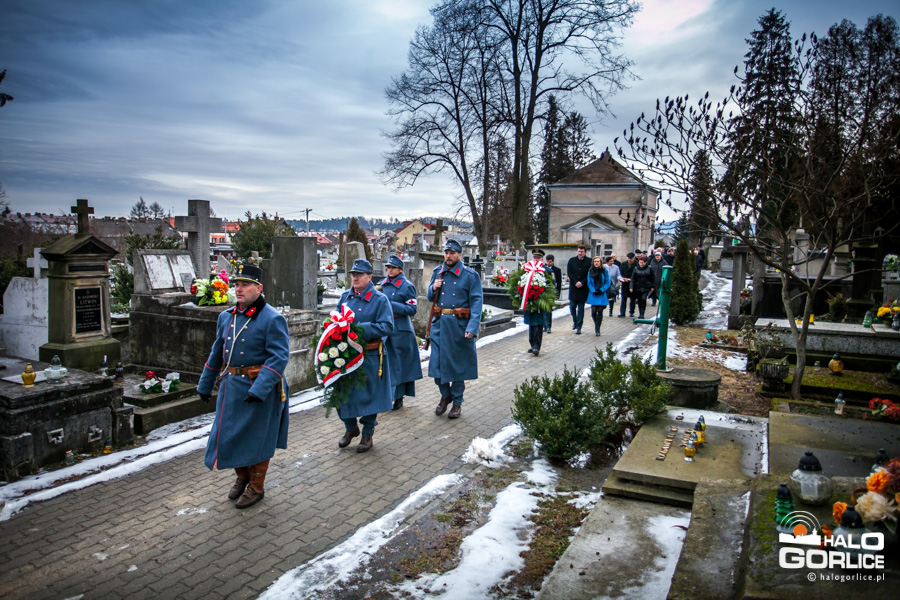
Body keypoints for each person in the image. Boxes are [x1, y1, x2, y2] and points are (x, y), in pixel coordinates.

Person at [197, 264, 290, 509]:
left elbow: (279, 357)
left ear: (259, 288)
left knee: (258, 439)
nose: (239, 289)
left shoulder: (272, 318)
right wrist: (205, 383)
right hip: (231, 386)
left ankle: (256, 486)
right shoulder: (226, 317)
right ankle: (243, 476)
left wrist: (259, 389)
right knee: (229, 436)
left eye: (245, 285)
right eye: (236, 285)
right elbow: (217, 351)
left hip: (261, 387)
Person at [335, 258, 395, 453]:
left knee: (370, 396)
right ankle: (351, 428)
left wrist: (359, 329)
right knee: (341, 394)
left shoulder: (380, 299)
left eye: (359, 275)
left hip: (370, 354)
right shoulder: (345, 297)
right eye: (353, 274)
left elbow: (388, 327)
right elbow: (335, 318)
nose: (355, 278)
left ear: (369, 277)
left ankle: (367, 435)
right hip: (346, 354)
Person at [427, 238, 483, 419]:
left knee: (458, 367)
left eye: (452, 253)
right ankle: (446, 395)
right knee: (436, 366)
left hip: (459, 326)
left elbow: (476, 302)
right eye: (446, 253)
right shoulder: (438, 272)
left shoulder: (470, 275)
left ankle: (457, 401)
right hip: (440, 325)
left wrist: (473, 327)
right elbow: (430, 297)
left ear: (459, 254)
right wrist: (432, 288)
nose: (448, 256)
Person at [378, 254, 422, 411]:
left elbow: (412, 309)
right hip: (384, 328)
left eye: (393, 268)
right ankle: (386, 396)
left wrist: (391, 305)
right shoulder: (381, 285)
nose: (390, 270)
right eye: (388, 267)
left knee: (399, 365)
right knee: (385, 363)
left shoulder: (407, 286)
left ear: (400, 269)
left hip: (401, 329)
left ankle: (398, 396)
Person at [523, 249, 553, 356]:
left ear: (542, 259)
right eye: (535, 257)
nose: (536, 259)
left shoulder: (546, 271)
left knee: (538, 324)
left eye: (538, 258)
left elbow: (551, 285)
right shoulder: (526, 269)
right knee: (531, 323)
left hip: (540, 301)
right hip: (530, 301)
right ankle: (532, 344)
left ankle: (537, 346)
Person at [566, 245, 591, 334]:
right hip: (574, 287)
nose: (580, 253)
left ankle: (579, 327)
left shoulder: (589, 261)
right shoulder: (572, 260)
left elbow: (589, 274)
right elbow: (569, 272)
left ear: (585, 252)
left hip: (583, 288)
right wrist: (575, 281)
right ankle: (575, 321)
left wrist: (582, 282)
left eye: (582, 252)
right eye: (579, 251)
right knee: (572, 307)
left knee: (581, 309)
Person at [586, 255, 611, 336]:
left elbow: (608, 282)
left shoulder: (604, 271)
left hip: (601, 293)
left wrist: (602, 289)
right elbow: (589, 283)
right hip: (593, 293)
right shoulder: (590, 271)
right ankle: (596, 324)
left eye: (598, 261)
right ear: (593, 262)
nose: (596, 263)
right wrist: (593, 290)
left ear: (601, 262)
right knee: (593, 312)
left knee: (600, 311)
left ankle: (597, 329)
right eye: (595, 261)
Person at [544, 254, 562, 334]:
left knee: (548, 310)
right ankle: (544, 326)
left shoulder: (557, 270)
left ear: (553, 261)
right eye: (547, 261)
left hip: (551, 292)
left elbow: (559, 283)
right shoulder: (543, 269)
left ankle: (548, 326)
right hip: (543, 291)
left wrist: (557, 294)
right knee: (543, 309)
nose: (548, 263)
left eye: (550, 262)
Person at [618, 252, 637, 318]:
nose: (629, 259)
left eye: (631, 258)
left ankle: (631, 312)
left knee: (633, 299)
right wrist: (623, 278)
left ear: (633, 258)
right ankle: (622, 312)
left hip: (633, 284)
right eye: (628, 258)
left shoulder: (636, 264)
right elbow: (620, 273)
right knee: (623, 298)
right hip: (625, 283)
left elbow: (637, 274)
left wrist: (631, 279)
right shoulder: (624, 264)